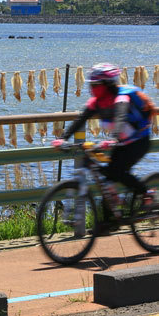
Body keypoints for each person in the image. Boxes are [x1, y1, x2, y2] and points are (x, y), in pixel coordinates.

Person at [52, 63, 156, 232]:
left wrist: (113, 139)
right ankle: (109, 223)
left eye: (95, 85)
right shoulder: (96, 102)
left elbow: (121, 116)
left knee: (116, 173)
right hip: (122, 142)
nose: (92, 88)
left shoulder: (121, 98)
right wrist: (62, 139)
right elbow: (80, 120)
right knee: (107, 181)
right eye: (90, 85)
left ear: (106, 85)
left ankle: (146, 193)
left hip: (138, 141)